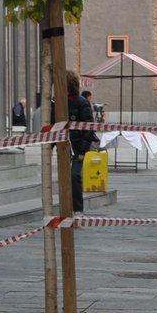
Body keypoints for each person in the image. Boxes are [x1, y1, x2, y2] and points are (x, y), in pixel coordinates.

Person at [66, 72, 98, 213]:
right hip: (64, 145)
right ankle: (67, 208)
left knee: (75, 176)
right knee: (68, 177)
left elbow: (89, 128)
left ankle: (78, 210)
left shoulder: (81, 102)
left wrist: (82, 151)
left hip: (77, 147)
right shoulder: (58, 102)